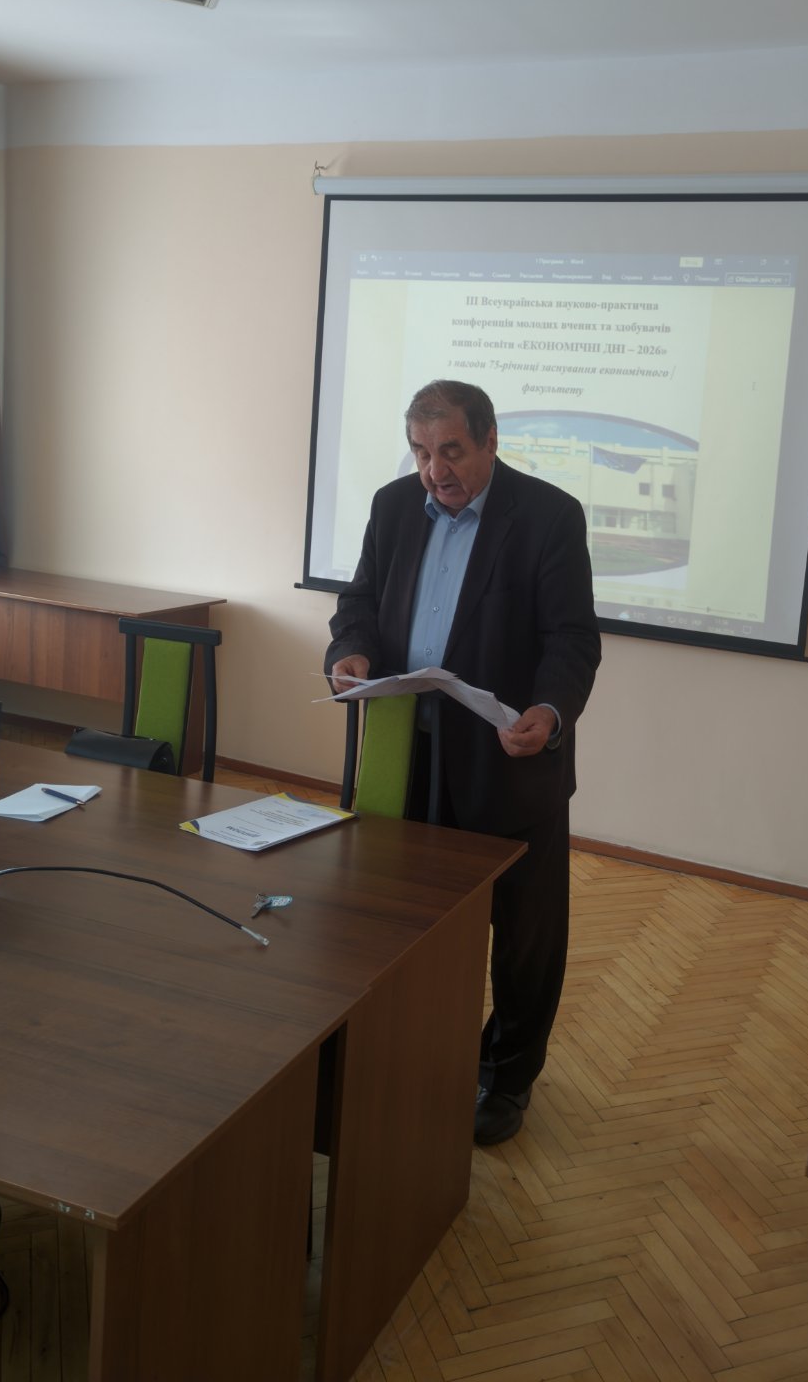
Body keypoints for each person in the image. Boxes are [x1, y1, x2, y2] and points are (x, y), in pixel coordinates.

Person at [325, 379, 601, 1144]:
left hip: (507, 758)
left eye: (450, 451)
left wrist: (549, 711)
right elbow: (359, 603)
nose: (433, 471)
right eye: (420, 452)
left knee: (522, 935)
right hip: (406, 752)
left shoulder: (546, 516)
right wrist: (350, 650)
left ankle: (507, 1078)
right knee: (403, 919)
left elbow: (571, 639)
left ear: (489, 441)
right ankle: (413, 1050)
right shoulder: (392, 506)